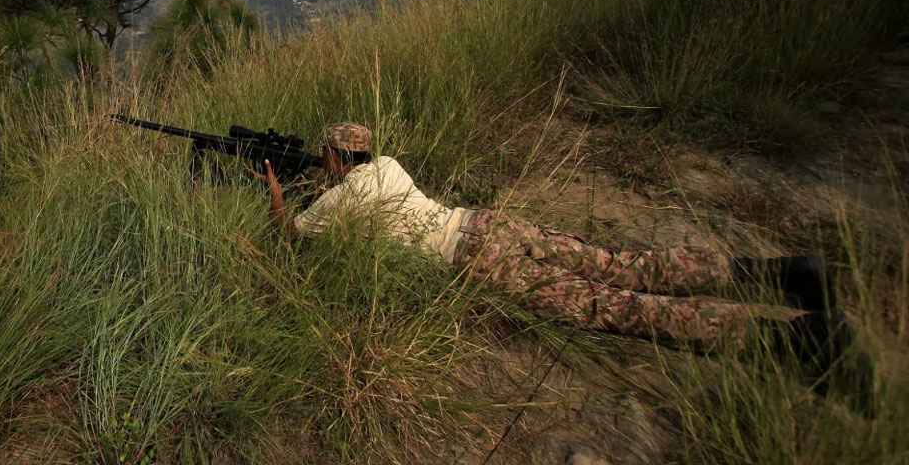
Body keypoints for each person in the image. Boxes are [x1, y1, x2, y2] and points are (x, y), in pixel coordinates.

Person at [256, 123, 856, 367]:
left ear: (334, 157)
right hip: (485, 224)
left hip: (470, 260)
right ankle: (779, 273)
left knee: (607, 306)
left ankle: (795, 338)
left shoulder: (335, 202)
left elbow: (291, 236)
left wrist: (280, 194)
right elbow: (365, 194)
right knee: (622, 266)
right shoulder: (386, 164)